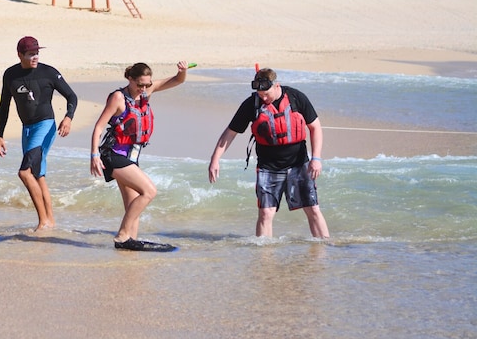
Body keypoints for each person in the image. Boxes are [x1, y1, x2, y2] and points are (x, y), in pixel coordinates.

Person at [208, 68, 330, 239]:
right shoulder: (252, 104)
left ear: (276, 85)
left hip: (298, 163)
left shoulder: (296, 97)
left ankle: (325, 250)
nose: (263, 98)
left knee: (313, 209)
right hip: (268, 166)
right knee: (266, 213)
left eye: (266, 94)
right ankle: (264, 259)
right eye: (260, 94)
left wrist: (316, 158)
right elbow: (230, 133)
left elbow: (315, 127)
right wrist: (215, 160)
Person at [90, 61, 188, 250]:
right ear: (130, 79)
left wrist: (182, 72)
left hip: (131, 157)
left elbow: (177, 80)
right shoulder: (118, 97)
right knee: (149, 191)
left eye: (147, 85)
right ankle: (122, 236)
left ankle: (128, 245)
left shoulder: (146, 93)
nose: (143, 89)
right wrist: (94, 155)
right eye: (139, 84)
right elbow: (99, 127)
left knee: (132, 205)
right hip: (114, 155)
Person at [0, 36, 78, 231]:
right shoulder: (10, 75)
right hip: (27, 129)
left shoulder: (48, 73)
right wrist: (0, 135)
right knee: (38, 175)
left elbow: (71, 96)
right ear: (20, 55)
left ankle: (42, 222)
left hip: (45, 126)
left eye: (37, 53)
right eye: (31, 53)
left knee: (24, 172)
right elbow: (4, 105)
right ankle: (50, 220)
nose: (35, 57)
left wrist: (68, 117)